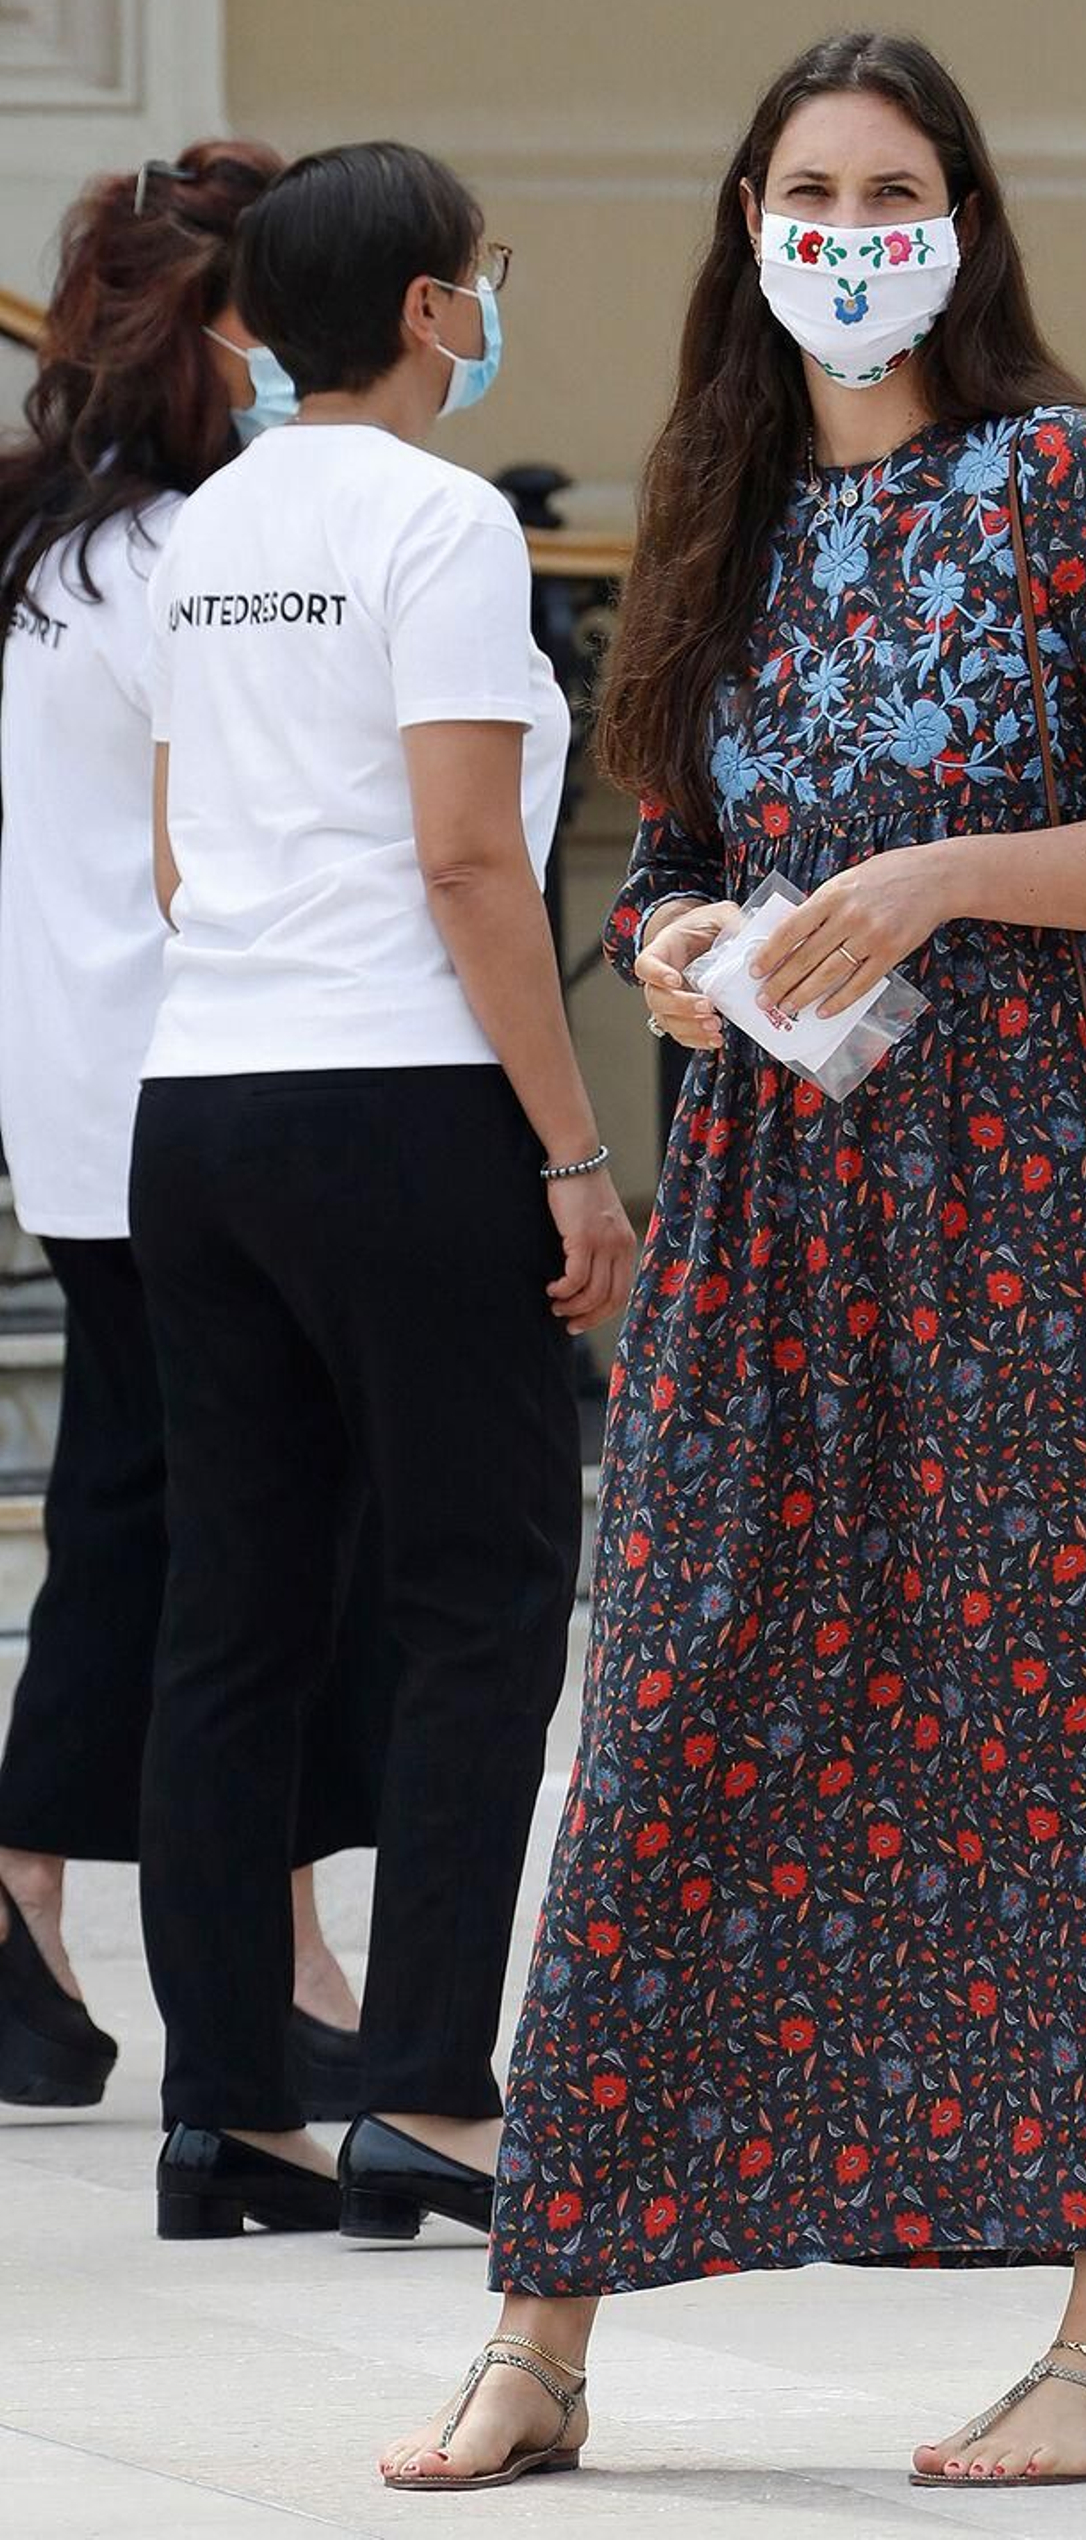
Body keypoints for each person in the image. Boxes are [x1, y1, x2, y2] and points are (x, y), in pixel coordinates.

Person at [381, 34, 1086, 2496]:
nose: (850, 222)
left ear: (965, 221)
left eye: (893, 183)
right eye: (808, 185)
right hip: (790, 1242)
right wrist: (684, 949)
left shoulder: (1065, 485)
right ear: (749, 224)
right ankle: (539, 2328)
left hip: (1066, 1249)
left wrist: (941, 874)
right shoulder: (722, 509)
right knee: (673, 1732)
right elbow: (662, 847)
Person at [129, 139, 633, 2241]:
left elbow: (172, 850)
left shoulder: (205, 525)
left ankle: (229, 2100)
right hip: (402, 1090)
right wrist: (576, 1151)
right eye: (477, 275)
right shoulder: (435, 524)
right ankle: (426, 2081)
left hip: (203, 1098)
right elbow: (462, 860)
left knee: (231, 1611)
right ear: (431, 309)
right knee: (479, 1592)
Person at [0, 141, 386, 2120]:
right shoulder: (191, 554)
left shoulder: (57, 544)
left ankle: (36, 1907)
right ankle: (272, 1950)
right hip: (195, 1089)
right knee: (249, 1538)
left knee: (135, 1522)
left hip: (86, 1092)